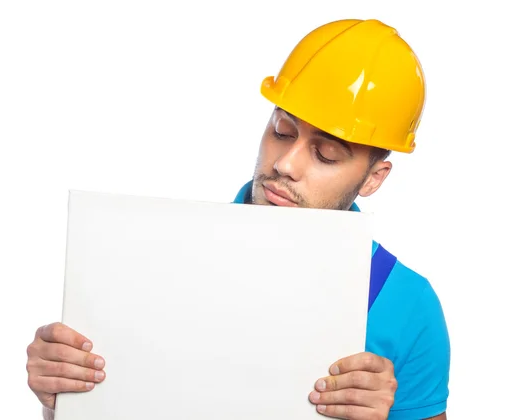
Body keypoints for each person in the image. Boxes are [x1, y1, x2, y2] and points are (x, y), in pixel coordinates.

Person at [26, 18, 450, 420]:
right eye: (283, 131)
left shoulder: (410, 306)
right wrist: (61, 398)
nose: (285, 164)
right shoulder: (152, 253)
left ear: (373, 179)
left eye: (327, 154)